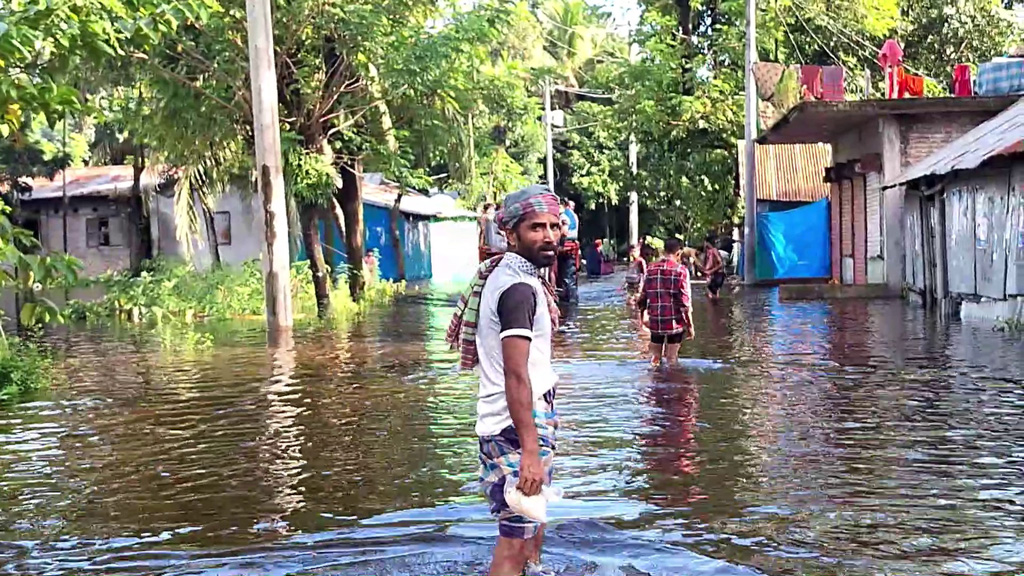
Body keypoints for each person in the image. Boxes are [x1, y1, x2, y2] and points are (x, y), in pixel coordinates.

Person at [445, 185, 562, 576]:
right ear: (511, 234)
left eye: (554, 226)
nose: (549, 236)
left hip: (518, 422)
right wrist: (530, 449)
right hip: (515, 427)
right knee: (514, 540)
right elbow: (516, 373)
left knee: (532, 525)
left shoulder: (506, 274)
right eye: (536, 228)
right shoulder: (518, 289)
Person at [638, 237, 694, 367]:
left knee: (655, 358)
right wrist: (690, 326)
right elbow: (685, 303)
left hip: (656, 321)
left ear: (664, 250)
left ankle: (655, 383)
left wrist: (642, 319)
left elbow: (642, 298)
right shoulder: (681, 271)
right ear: (678, 253)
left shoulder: (651, 269)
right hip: (674, 323)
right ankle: (670, 382)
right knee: (672, 358)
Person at [700, 235, 726, 301]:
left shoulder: (714, 250)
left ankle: (712, 309)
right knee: (714, 295)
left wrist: (710, 271)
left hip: (718, 275)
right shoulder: (710, 251)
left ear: (707, 243)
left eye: (705, 242)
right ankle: (716, 309)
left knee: (710, 294)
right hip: (718, 275)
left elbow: (721, 264)